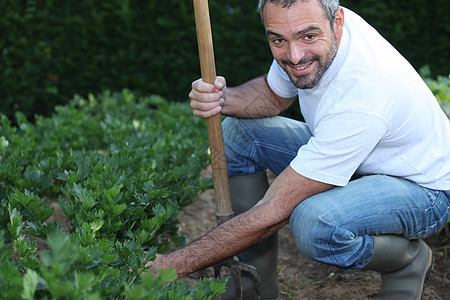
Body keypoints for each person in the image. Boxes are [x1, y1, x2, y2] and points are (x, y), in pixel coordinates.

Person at [149, 0, 450, 299]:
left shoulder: (364, 94)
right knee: (239, 134)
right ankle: (257, 285)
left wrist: (170, 265)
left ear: (338, 22)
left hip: (423, 189)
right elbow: (273, 96)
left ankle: (407, 260)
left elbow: (273, 212)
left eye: (308, 36)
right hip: (362, 161)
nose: (294, 56)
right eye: (278, 40)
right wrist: (221, 99)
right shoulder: (309, 23)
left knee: (313, 222)